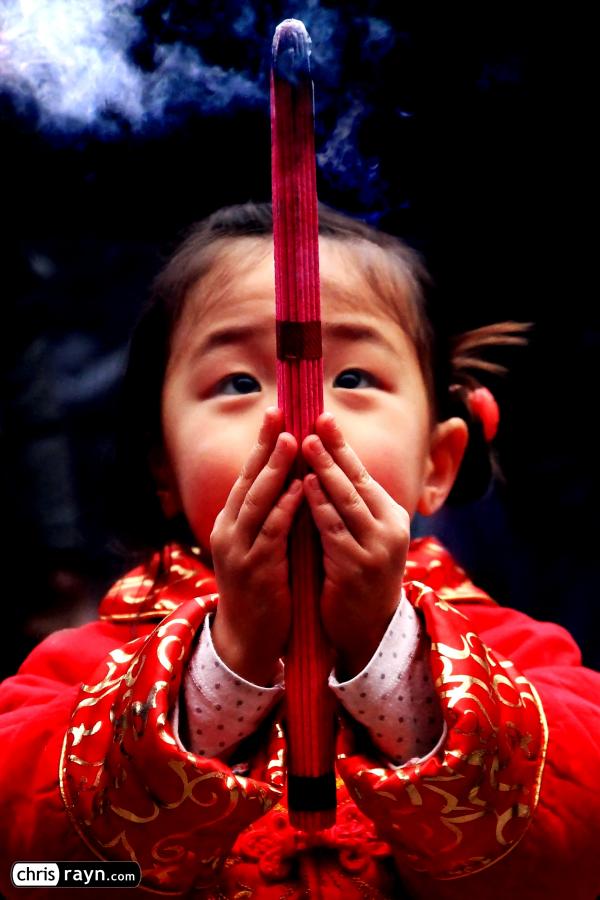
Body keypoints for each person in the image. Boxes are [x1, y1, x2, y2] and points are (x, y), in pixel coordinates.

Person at [1, 203, 598, 900]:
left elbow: (579, 853)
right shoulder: (89, 666)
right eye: (237, 383)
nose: (296, 414)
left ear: (437, 461)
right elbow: (36, 874)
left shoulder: (514, 656)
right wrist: (222, 672)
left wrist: (392, 658)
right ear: (162, 467)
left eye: (352, 379)